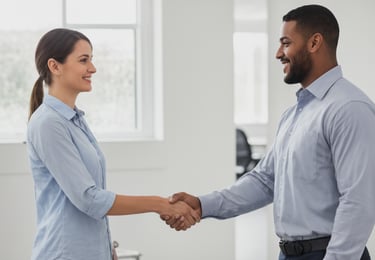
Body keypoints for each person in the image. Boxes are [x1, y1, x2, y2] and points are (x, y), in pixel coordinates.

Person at [163, 4, 375, 260]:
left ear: (314, 43)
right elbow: (265, 181)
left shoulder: (349, 108)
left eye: (286, 43)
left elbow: (358, 202)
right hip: (288, 254)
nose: (278, 53)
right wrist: (202, 204)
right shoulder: (293, 115)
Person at [27, 28, 200, 260]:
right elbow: (89, 199)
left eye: (92, 59)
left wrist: (107, 249)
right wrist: (161, 204)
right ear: (55, 66)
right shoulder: (48, 123)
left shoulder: (75, 119)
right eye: (83, 60)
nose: (93, 68)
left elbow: (92, 198)